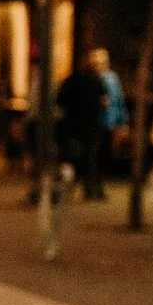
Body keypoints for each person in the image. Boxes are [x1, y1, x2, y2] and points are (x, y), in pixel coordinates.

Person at [55, 52, 106, 200]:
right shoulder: (96, 81)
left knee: (72, 156)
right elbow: (104, 101)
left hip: (73, 125)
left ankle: (70, 188)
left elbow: (60, 101)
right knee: (89, 157)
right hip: (91, 125)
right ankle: (89, 189)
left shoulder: (70, 81)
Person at [92, 47, 127, 182]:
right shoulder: (93, 79)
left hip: (109, 121)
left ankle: (102, 177)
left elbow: (118, 100)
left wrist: (122, 122)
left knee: (106, 152)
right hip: (96, 122)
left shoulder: (111, 79)